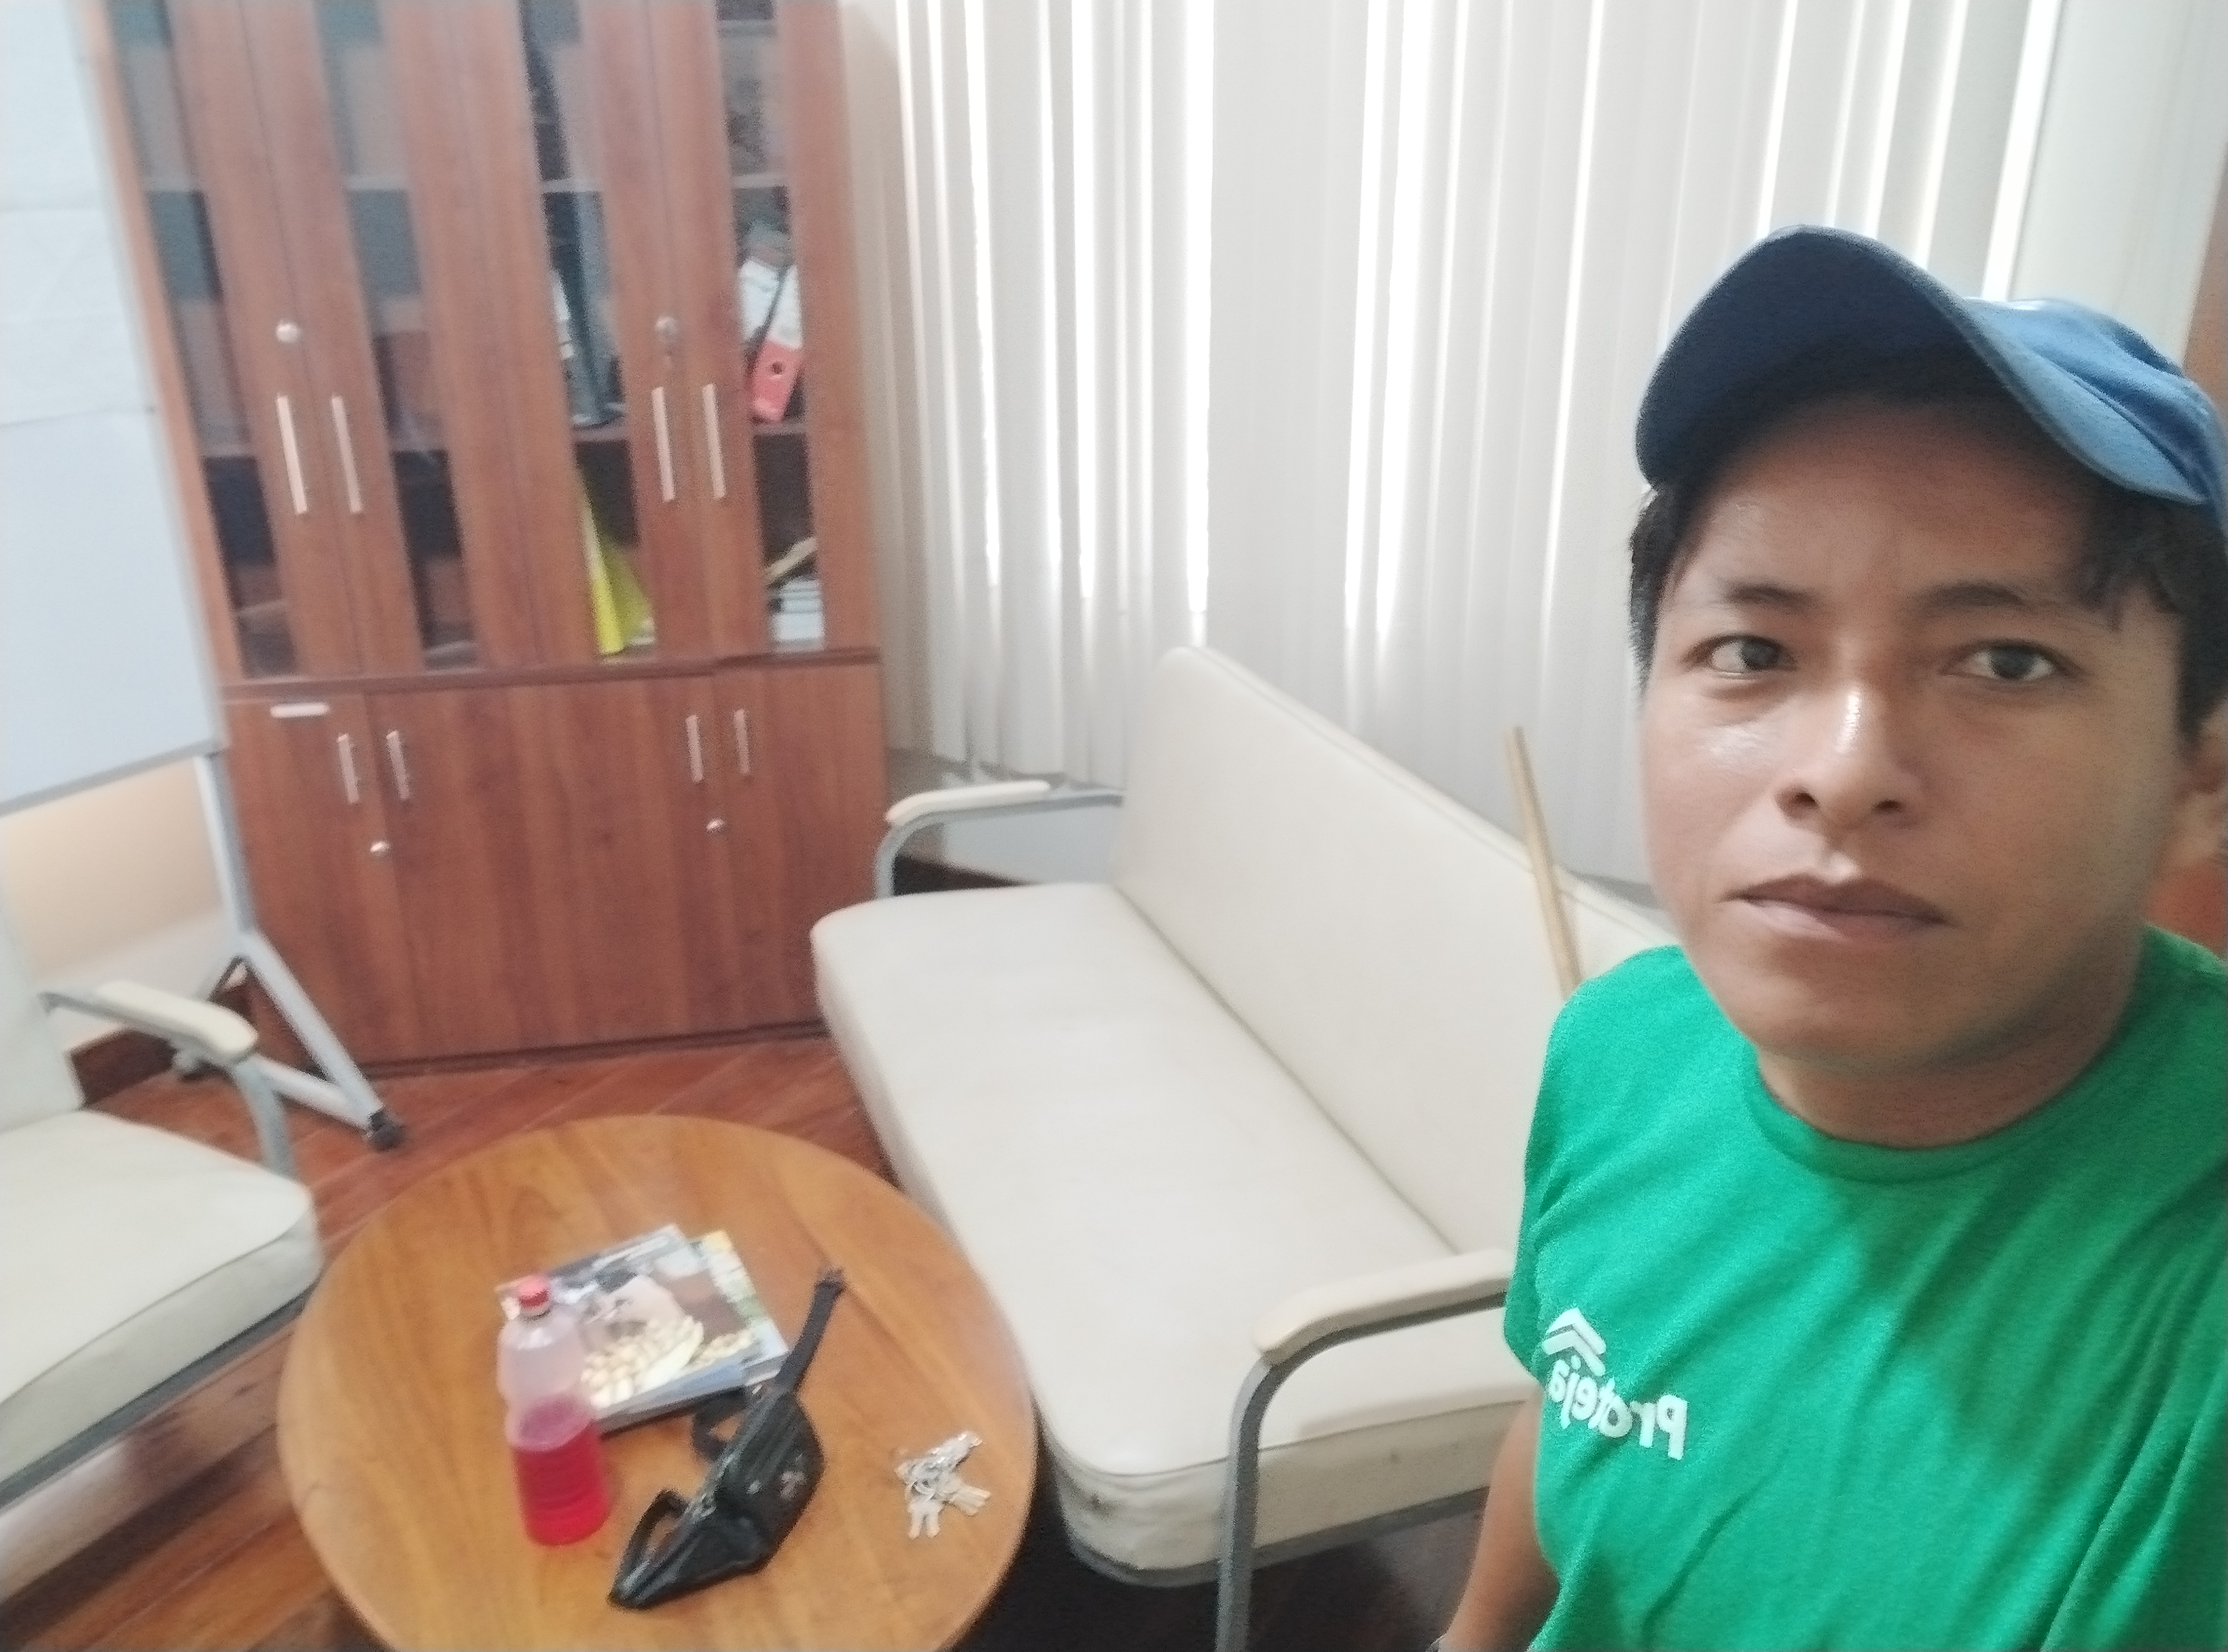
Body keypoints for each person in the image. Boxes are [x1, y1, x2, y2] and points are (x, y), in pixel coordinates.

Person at [1438, 225, 2228, 1651]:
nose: (1845, 771)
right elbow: (1568, 1412)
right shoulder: (1621, 1047)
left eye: (2006, 662)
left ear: (2199, 784)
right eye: (1753, 652)